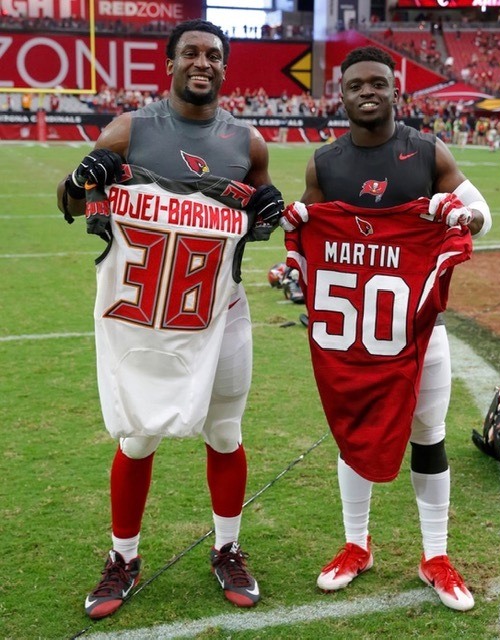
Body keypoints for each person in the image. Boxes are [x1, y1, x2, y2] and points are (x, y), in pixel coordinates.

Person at [56, 19, 284, 620]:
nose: (202, 62)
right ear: (171, 62)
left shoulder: (248, 142)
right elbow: (73, 202)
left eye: (213, 54)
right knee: (137, 436)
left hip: (218, 311)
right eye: (191, 53)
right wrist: (84, 180)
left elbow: (258, 220)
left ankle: (227, 547)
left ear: (224, 68)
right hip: (145, 316)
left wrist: (267, 208)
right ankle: (122, 557)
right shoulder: (131, 128)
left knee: (226, 432)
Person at [280, 46, 491, 611]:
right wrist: (291, 260)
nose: (367, 91)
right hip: (354, 340)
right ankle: (356, 545)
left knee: (429, 435)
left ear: (395, 91)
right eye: (356, 85)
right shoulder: (324, 163)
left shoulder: (426, 151)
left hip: (419, 332)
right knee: (355, 433)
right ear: (341, 95)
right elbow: (308, 238)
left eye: (378, 82)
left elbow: (481, 214)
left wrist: (458, 215)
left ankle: (435, 555)